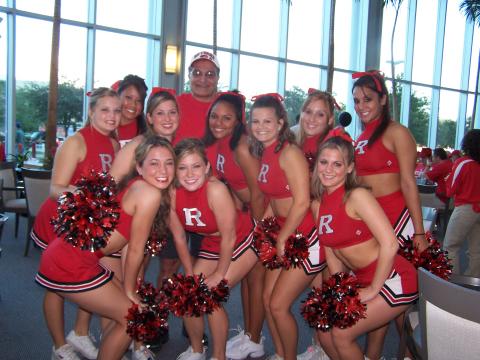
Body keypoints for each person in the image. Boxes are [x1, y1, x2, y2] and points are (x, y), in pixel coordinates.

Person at [36, 135, 176, 360]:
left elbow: (129, 246)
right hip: (70, 263)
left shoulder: (137, 186)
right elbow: (136, 249)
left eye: (169, 163)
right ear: (139, 167)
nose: (163, 170)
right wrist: (130, 291)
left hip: (68, 256)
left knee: (124, 315)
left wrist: (130, 288)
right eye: (154, 163)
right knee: (134, 318)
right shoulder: (148, 194)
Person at [30, 88, 121, 360]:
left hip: (87, 225)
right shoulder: (76, 142)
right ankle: (59, 345)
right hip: (58, 221)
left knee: (92, 274)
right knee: (55, 286)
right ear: (91, 111)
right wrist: (84, 196)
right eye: (105, 110)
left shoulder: (114, 144)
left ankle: (80, 332)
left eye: (116, 110)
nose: (112, 116)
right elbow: (55, 189)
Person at [311, 136, 418, 360]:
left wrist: (373, 289)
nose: (328, 169)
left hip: (394, 278)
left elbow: (390, 243)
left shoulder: (357, 196)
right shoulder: (318, 204)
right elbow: (330, 250)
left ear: (349, 168)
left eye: (337, 164)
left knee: (341, 333)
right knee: (325, 332)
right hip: (361, 278)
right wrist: (339, 290)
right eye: (323, 162)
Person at [351, 70, 428, 359]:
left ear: (383, 99)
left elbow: (409, 182)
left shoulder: (397, 132)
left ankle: (409, 355)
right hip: (373, 224)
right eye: (357, 100)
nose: (361, 106)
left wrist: (418, 232)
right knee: (380, 293)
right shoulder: (362, 136)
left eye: (368, 99)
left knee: (399, 300)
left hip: (398, 224)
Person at [249, 94, 325, 360]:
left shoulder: (289, 152)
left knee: (279, 306)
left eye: (267, 121)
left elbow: (302, 201)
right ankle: (281, 354)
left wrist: (281, 237)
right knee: (268, 301)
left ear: (281, 123)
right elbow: (276, 198)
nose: (261, 126)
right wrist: (262, 229)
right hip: (285, 233)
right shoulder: (266, 151)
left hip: (306, 238)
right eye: (255, 121)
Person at [171, 138, 259, 360]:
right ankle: (196, 349)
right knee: (187, 293)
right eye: (182, 167)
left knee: (209, 295)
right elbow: (180, 236)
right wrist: (189, 271)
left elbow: (229, 236)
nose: (190, 174)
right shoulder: (171, 193)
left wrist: (219, 273)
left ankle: (219, 356)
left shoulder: (215, 190)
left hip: (242, 239)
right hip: (212, 244)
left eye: (196, 166)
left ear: (207, 167)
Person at [201, 91, 266, 359]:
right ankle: (249, 335)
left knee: (258, 282)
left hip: (263, 216)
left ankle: (256, 339)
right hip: (248, 216)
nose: (218, 122)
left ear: (238, 120)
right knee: (249, 283)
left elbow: (260, 192)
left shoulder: (240, 146)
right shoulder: (218, 144)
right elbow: (231, 186)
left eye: (226, 118)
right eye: (214, 116)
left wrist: (262, 232)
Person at [295, 89, 336, 360]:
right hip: (304, 225)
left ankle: (327, 348)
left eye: (320, 114)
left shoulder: (331, 146)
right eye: (308, 111)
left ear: (330, 119)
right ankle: (319, 346)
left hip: (322, 228)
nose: (312, 118)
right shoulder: (297, 142)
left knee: (326, 292)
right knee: (319, 292)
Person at [443, 129, 480, 278]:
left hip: (465, 209)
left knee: (450, 246)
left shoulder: (463, 163)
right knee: (476, 249)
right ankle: (474, 278)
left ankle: (451, 279)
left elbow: (450, 190)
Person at [175, 51, 220, 141]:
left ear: (217, 78)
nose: (203, 80)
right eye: (197, 73)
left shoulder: (228, 107)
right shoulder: (174, 105)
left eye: (210, 74)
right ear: (189, 75)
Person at [114, 74, 148, 147]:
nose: (133, 105)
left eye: (139, 100)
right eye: (128, 98)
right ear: (118, 96)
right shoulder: (105, 127)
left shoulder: (148, 135)